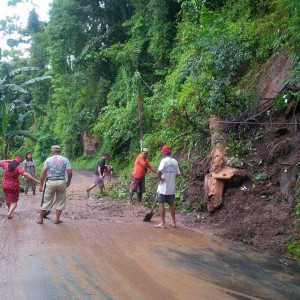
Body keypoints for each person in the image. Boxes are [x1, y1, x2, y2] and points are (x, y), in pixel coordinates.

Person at [37, 145, 72, 224]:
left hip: (51, 182)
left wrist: (41, 185)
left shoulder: (48, 160)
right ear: (60, 151)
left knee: (46, 201)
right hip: (61, 182)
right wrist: (69, 181)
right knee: (60, 201)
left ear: (52, 152)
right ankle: (57, 219)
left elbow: (43, 173)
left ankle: (40, 220)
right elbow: (69, 172)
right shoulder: (65, 159)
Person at [155, 146, 181, 229]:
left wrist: (160, 179)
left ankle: (163, 223)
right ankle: (173, 222)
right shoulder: (175, 161)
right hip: (171, 187)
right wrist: (171, 178)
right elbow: (177, 174)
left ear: (164, 153)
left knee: (161, 203)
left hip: (163, 187)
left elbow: (159, 171)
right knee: (171, 204)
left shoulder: (164, 161)